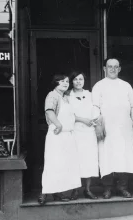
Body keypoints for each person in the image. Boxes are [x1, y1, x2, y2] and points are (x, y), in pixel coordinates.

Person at [92, 58, 133, 199]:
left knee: (124, 157)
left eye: (115, 67)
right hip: (107, 129)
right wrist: (98, 126)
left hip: (124, 128)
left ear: (119, 69)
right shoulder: (98, 86)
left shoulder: (126, 86)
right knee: (107, 157)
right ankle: (107, 188)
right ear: (104, 69)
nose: (112, 69)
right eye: (109, 66)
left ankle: (123, 187)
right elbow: (95, 107)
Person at [38, 73, 81, 205]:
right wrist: (58, 124)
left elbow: (72, 116)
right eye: (61, 81)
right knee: (53, 163)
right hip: (57, 134)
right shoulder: (52, 95)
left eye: (67, 81)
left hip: (67, 135)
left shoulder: (66, 98)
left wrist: (84, 120)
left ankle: (58, 192)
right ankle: (44, 193)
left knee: (64, 165)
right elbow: (49, 111)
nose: (65, 83)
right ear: (55, 83)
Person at [68, 70, 99, 200]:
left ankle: (87, 189)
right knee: (76, 160)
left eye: (81, 79)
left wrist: (94, 120)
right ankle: (75, 190)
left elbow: (96, 109)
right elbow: (68, 114)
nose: (78, 82)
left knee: (89, 160)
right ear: (72, 81)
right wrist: (82, 120)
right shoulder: (67, 96)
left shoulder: (90, 94)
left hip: (89, 132)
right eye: (75, 79)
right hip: (75, 131)